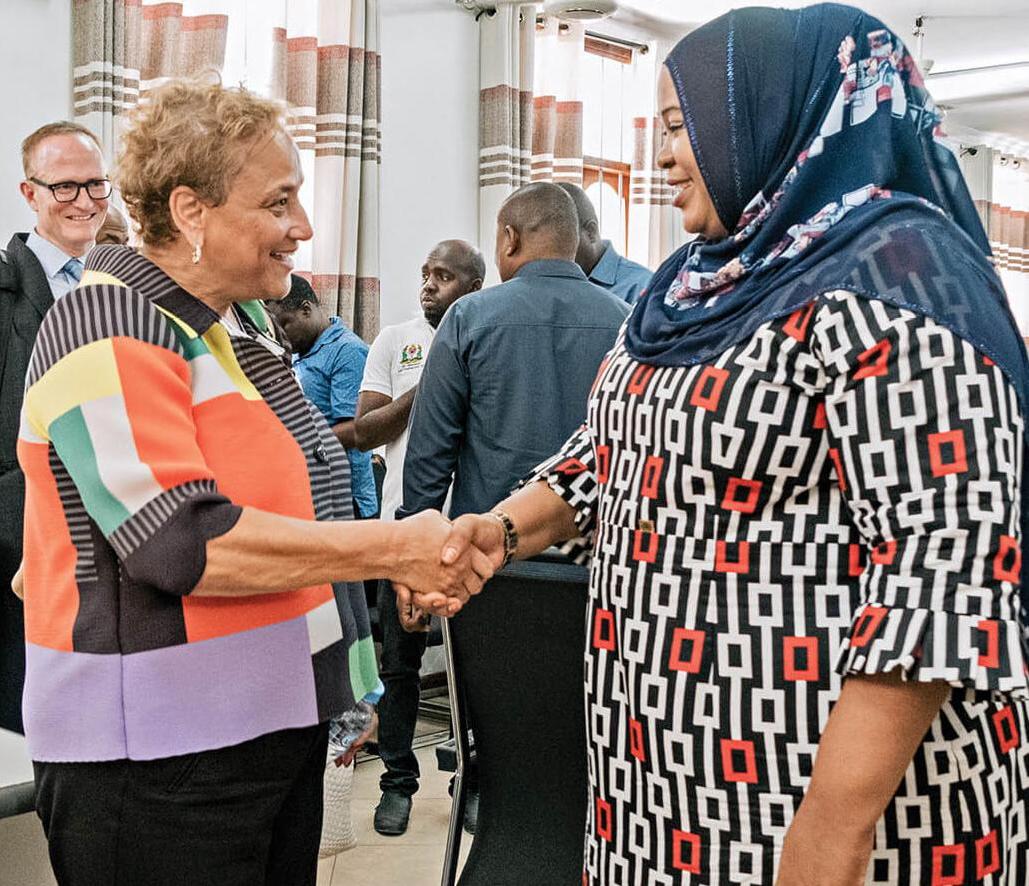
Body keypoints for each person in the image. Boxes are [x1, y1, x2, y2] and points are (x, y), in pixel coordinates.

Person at [414, 6, 1029, 884]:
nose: (660, 156)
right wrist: (502, 529)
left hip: (820, 798)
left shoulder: (900, 272)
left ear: (765, 118)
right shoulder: (695, 282)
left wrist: (831, 830)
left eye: (679, 126)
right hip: (663, 782)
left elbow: (940, 569)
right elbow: (602, 454)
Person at [19, 78, 492, 886]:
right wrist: (392, 549)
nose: (302, 229)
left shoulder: (229, 336)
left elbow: (301, 510)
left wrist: (380, 587)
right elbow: (180, 541)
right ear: (191, 210)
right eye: (279, 203)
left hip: (262, 740)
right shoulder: (104, 324)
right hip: (162, 764)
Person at [353, 238, 484, 836]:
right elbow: (364, 428)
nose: (429, 284)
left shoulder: (488, 335)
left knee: (476, 667)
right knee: (401, 665)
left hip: (472, 531)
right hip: (403, 528)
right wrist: (432, 378)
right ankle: (397, 783)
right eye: (425, 273)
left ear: (474, 288)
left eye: (445, 276)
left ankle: (474, 781)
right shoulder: (395, 341)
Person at [0, 121, 110, 733]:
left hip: (112, 534)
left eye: (96, 185)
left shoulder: (119, 287)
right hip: (21, 540)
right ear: (30, 192)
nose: (84, 202)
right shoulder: (4, 289)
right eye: (64, 187)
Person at [266, 275, 378, 519]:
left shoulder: (346, 351)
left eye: (284, 325)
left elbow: (355, 429)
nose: (280, 336)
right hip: (311, 486)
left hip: (345, 496)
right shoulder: (297, 352)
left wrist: (292, 442)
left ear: (306, 309)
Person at [556, 181, 651, 303]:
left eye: (561, 242)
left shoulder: (642, 286)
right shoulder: (552, 284)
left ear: (591, 231)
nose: (553, 257)